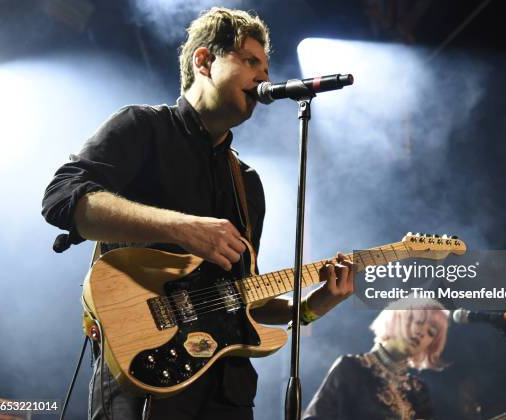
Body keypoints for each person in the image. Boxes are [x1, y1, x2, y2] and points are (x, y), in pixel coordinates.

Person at [41, 7, 353, 420]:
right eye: (249, 61)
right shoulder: (142, 127)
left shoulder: (247, 183)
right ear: (203, 60)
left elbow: (239, 296)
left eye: (266, 66)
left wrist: (311, 307)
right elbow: (61, 196)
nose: (264, 77)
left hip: (228, 394)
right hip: (146, 379)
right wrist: (182, 227)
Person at [303, 299, 449, 420]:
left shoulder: (419, 390)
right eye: (418, 321)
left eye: (431, 332)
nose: (422, 333)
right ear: (398, 317)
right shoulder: (351, 368)